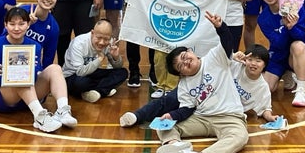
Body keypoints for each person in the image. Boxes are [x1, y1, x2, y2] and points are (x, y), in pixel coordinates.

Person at [154, 11, 249, 153]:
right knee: (163, 125)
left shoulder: (214, 57)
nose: (186, 62)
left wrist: (220, 27)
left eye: (184, 56)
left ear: (190, 51)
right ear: (181, 74)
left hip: (229, 117)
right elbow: (187, 109)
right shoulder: (184, 84)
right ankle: (174, 145)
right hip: (202, 118)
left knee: (240, 137)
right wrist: (171, 116)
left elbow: (227, 42)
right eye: (181, 66)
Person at [119, 44, 283, 128]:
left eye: (258, 61)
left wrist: (271, 117)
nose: (253, 64)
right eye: (250, 59)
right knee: (167, 101)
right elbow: (225, 54)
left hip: (214, 109)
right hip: (198, 87)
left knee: (180, 115)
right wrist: (234, 56)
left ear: (265, 65)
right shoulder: (235, 66)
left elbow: (265, 108)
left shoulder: (262, 87)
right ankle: (137, 115)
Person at [0, 7, 78, 133]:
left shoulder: (35, 46)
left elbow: (35, 77)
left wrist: (25, 70)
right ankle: (40, 117)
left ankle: (63, 111)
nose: (16, 28)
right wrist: (9, 75)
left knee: (55, 69)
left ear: (28, 24)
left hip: (28, 98)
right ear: (5, 25)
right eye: (12, 24)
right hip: (3, 99)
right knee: (20, 75)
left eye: (21, 24)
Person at [134, 0, 200, 98]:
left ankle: (173, 86)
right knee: (159, 55)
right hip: (160, 18)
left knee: (177, 54)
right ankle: (161, 85)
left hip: (180, 19)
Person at [258, 0, 305, 107]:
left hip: (297, 55)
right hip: (278, 55)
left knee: (298, 46)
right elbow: (278, 43)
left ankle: (301, 90)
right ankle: (285, 73)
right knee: (267, 89)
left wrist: (292, 27)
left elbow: (301, 36)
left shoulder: (296, 7)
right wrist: (287, 28)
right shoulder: (263, 18)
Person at [62, 19, 128, 103]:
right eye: (99, 38)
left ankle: (95, 92)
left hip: (92, 72)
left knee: (123, 72)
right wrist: (99, 59)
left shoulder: (109, 43)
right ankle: (104, 89)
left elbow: (117, 67)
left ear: (110, 37)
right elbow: (80, 72)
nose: (102, 42)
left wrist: (116, 57)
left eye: (106, 39)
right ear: (92, 33)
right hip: (73, 75)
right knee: (81, 83)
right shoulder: (79, 43)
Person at [19, 0, 60, 70]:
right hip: (11, 56)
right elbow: (5, 35)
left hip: (33, 64)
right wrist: (27, 24)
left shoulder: (53, 27)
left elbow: (48, 57)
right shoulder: (22, 11)